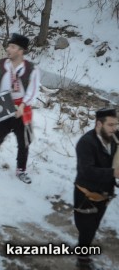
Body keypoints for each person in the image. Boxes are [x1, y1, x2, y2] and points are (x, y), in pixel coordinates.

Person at [0, 33, 40, 184]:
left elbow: (32, 91)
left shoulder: (32, 70)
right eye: (9, 46)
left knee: (23, 142)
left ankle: (21, 170)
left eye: (12, 47)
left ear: (21, 50)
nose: (8, 49)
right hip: (3, 106)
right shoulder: (1, 64)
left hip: (22, 109)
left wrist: (23, 106)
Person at [73, 108, 118, 270]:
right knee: (86, 229)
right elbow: (86, 170)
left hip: (105, 194)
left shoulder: (113, 137)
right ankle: (82, 260)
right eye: (111, 124)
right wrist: (114, 172)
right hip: (86, 194)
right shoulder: (86, 142)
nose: (115, 128)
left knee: (93, 227)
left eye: (116, 124)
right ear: (99, 123)